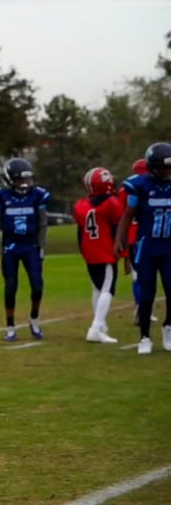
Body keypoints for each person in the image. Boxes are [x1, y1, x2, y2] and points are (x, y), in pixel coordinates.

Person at [115, 142, 171, 355]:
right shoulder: (140, 185)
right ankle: (145, 336)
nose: (169, 171)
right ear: (154, 167)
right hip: (146, 247)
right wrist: (119, 239)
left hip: (169, 247)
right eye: (166, 167)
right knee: (147, 293)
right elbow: (128, 214)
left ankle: (168, 327)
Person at [0, 158, 50, 341]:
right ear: (9, 180)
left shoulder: (37, 196)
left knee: (37, 286)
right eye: (20, 180)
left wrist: (42, 249)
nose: (25, 184)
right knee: (11, 287)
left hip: (31, 246)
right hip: (11, 247)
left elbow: (43, 225)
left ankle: (34, 318)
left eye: (27, 179)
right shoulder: (1, 197)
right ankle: (10, 326)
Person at [73, 167, 123, 344]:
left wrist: (83, 251)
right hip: (105, 251)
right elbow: (117, 229)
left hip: (89, 250)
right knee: (108, 289)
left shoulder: (81, 205)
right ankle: (96, 327)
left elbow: (80, 233)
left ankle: (100, 326)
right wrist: (122, 252)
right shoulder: (112, 203)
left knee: (96, 288)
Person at [119, 158, 156, 326]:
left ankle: (142, 307)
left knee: (138, 275)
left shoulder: (126, 189)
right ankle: (142, 308)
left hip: (132, 236)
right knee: (143, 276)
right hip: (142, 236)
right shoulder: (146, 187)